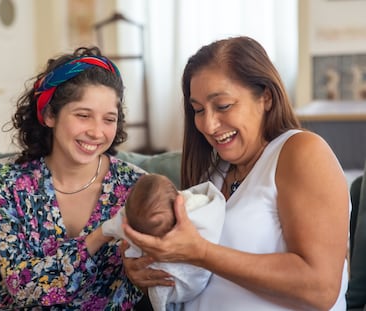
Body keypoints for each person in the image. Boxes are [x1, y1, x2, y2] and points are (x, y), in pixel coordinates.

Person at [120, 36, 350, 310]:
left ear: (265, 96)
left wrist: (202, 253)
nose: (208, 124)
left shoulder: (300, 152)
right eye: (198, 110)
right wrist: (147, 270)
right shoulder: (214, 174)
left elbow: (320, 288)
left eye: (223, 106)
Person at [0, 46, 148, 310]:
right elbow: (21, 288)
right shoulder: (2, 180)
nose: (96, 132)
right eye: (83, 115)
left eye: (109, 119)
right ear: (49, 115)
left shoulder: (138, 187)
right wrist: (101, 235)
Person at [102, 174, 226, 311]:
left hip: (178, 285)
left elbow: (115, 225)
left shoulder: (189, 217)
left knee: (159, 293)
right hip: (190, 282)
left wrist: (105, 229)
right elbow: (210, 210)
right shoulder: (197, 205)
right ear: (179, 201)